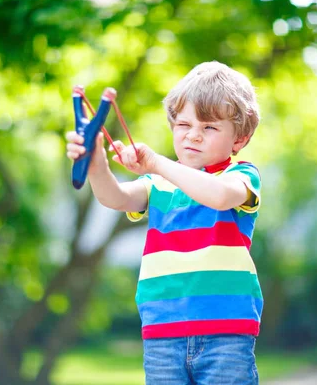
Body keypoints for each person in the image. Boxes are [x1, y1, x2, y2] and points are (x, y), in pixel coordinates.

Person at [66, 61, 263, 384]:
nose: (193, 136)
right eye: (184, 124)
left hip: (225, 332)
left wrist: (156, 163)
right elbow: (114, 197)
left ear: (239, 139)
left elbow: (218, 196)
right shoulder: (157, 184)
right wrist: (96, 163)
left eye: (209, 127)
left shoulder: (240, 176)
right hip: (162, 332)